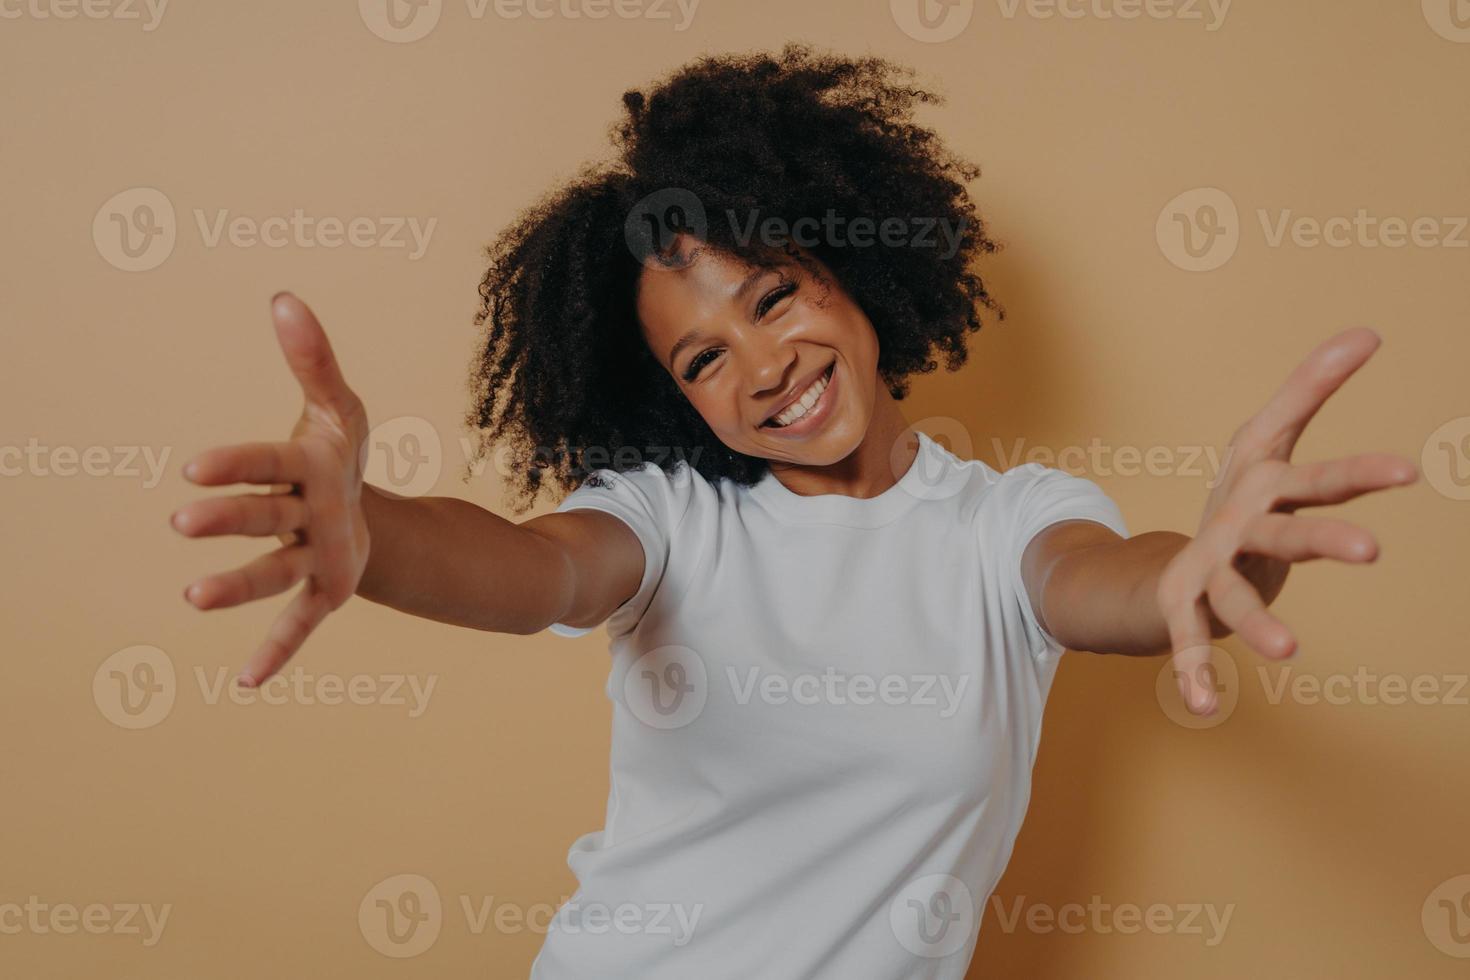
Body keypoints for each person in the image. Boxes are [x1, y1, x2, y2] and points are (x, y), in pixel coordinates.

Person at [169, 45, 1419, 979]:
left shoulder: (1002, 525)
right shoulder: (670, 523)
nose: (760, 364)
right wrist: (371, 531)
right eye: (701, 359)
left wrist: (1213, 563)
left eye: (772, 297)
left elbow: (1107, 583)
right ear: (667, 400)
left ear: (855, 271)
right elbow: (530, 569)